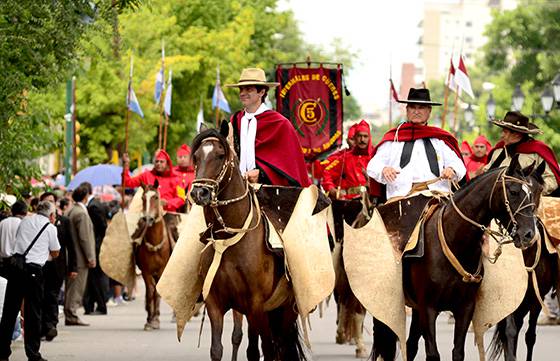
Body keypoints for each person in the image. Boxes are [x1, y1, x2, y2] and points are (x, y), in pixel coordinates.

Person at [367, 88, 466, 201]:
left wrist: (451, 169)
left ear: (429, 110)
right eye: (413, 107)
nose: (416, 111)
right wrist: (384, 169)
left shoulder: (440, 140)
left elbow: (459, 165)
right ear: (407, 110)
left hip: (437, 197)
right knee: (373, 219)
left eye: (421, 107)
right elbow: (373, 165)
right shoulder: (394, 138)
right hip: (400, 198)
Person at [225, 67, 310, 187]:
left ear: (262, 92)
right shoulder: (234, 122)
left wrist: (262, 173)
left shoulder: (280, 124)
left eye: (248, 89)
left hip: (271, 189)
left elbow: (289, 164)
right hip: (237, 187)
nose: (243, 93)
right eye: (241, 89)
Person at [0, 201, 60, 361]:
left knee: (9, 311)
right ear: (52, 215)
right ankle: (33, 354)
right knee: (33, 313)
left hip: (16, 268)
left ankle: (2, 352)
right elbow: (55, 253)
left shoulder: (25, 221)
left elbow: (19, 241)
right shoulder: (51, 228)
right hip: (34, 272)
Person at [484, 111, 560, 195]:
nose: (502, 135)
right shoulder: (498, 151)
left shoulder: (537, 153)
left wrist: (531, 192)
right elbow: (485, 176)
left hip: (529, 204)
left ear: (517, 135)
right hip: (496, 202)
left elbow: (552, 180)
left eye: (505, 132)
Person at [38, 192, 77, 341]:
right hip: (39, 265)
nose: (49, 203)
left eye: (52, 201)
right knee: (40, 295)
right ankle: (41, 326)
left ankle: (50, 325)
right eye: (46, 201)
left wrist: (73, 267)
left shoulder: (64, 222)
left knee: (52, 295)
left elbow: (71, 246)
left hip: (57, 266)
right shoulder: (35, 222)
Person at [64, 183, 96, 327]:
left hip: (71, 255)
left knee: (71, 286)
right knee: (77, 287)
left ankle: (70, 312)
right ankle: (72, 313)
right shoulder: (81, 213)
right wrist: (90, 257)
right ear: (85, 196)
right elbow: (85, 237)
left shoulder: (71, 211)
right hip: (80, 257)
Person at [323, 120, 376, 200]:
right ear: (355, 138)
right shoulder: (345, 157)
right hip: (350, 202)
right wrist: (331, 189)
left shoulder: (376, 157)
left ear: (369, 138)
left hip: (371, 202)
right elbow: (327, 172)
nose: (362, 139)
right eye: (359, 136)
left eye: (365, 136)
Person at [83, 183, 110, 316]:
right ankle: (91, 305)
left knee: (95, 277)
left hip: (96, 245)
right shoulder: (95, 204)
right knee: (94, 277)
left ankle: (100, 305)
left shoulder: (93, 206)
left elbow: (101, 226)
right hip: (97, 244)